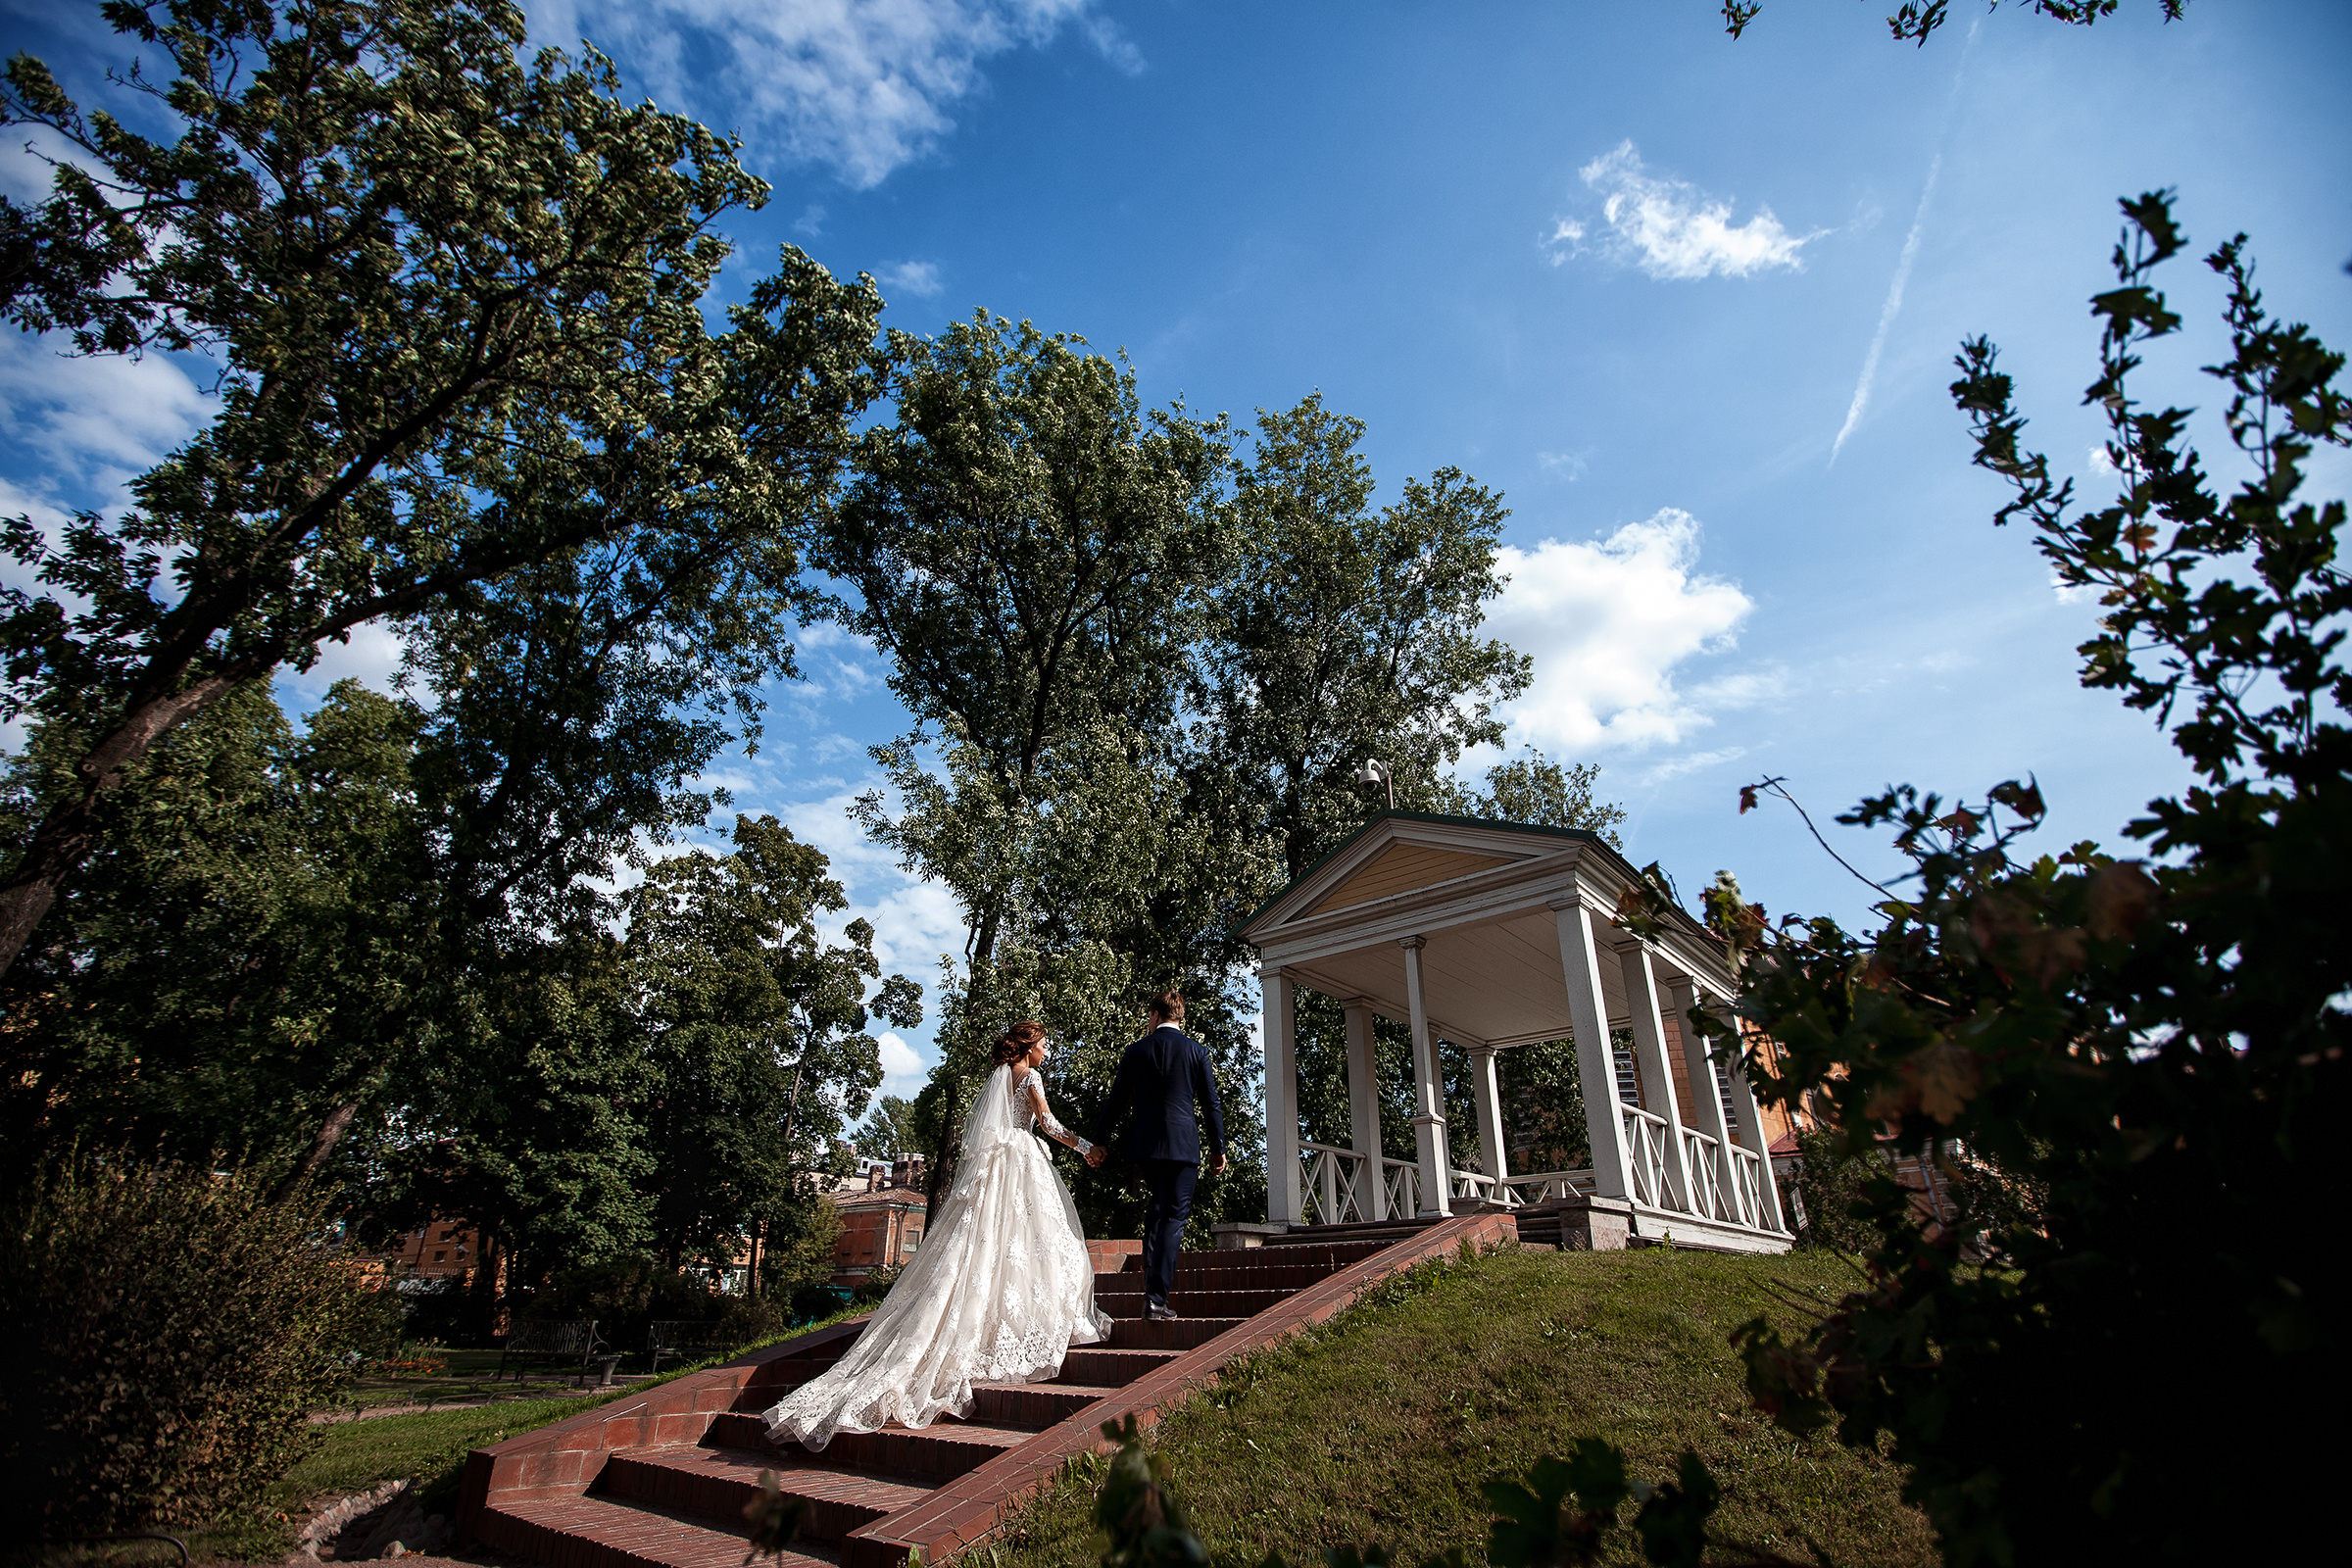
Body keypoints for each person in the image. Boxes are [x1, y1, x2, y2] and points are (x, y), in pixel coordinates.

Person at [761, 1021, 1110, 1451]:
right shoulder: (1030, 1077)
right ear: (1027, 1047)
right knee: (1033, 1246)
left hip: (994, 1170)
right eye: (1044, 1043)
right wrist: (1087, 1147)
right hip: (1020, 1163)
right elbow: (1050, 1125)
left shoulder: (999, 1079)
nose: (1047, 1051)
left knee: (985, 1248)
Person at [1095, 989, 1225, 1321]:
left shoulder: (1137, 1050)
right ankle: (1156, 1300)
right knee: (1173, 1218)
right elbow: (1211, 1105)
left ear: (1155, 1015)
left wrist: (1098, 1141)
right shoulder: (1198, 1052)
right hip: (1183, 1147)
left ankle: (1151, 1294)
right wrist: (1218, 1148)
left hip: (1147, 1147)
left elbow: (1116, 1100)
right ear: (1180, 1016)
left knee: (1156, 1212)